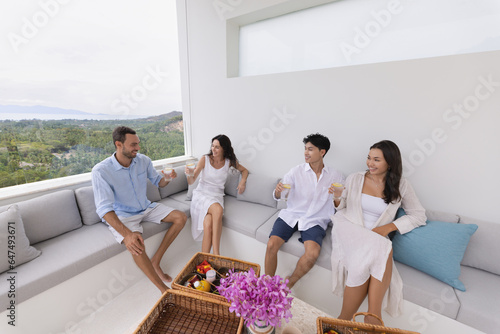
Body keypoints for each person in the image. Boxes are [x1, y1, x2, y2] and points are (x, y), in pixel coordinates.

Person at [330, 140, 426, 324]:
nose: (369, 163)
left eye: (376, 160)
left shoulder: (402, 185)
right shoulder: (355, 178)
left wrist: (388, 227)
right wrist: (336, 196)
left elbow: (418, 215)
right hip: (349, 227)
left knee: (378, 246)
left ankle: (344, 320)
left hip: (374, 238)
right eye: (368, 158)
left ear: (389, 162)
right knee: (384, 246)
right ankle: (373, 317)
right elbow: (341, 207)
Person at [92, 126, 187, 293]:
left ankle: (156, 260)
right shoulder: (101, 171)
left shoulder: (143, 160)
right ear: (118, 144)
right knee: (135, 243)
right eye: (133, 145)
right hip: (123, 215)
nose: (138, 148)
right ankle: (164, 291)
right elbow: (104, 209)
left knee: (181, 217)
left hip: (145, 207)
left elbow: (159, 182)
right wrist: (127, 235)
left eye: (138, 144)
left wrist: (168, 178)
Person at [265, 133, 344, 289]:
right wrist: (278, 191)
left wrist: (337, 196)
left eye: (310, 149)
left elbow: (339, 206)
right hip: (292, 214)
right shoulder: (296, 171)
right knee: (271, 244)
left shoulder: (336, 176)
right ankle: (267, 286)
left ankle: (287, 285)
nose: (306, 153)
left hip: (315, 219)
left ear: (322, 152)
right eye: (305, 149)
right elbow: (279, 196)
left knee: (312, 254)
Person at [187, 134, 248, 255]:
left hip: (216, 196)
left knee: (208, 224)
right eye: (212, 146)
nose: (213, 149)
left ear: (224, 149)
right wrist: (189, 174)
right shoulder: (205, 159)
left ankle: (205, 261)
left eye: (217, 147)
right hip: (202, 195)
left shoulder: (228, 162)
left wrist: (242, 182)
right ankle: (216, 254)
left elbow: (244, 170)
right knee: (218, 210)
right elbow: (191, 181)